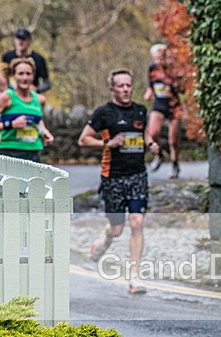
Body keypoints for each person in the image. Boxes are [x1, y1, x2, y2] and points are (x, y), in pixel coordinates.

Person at [79, 69, 160, 294]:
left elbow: (145, 137)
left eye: (128, 85)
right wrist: (108, 143)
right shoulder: (104, 113)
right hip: (112, 176)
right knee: (117, 230)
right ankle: (103, 240)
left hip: (137, 176)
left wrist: (151, 144)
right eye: (121, 86)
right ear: (112, 89)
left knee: (137, 222)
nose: (125, 89)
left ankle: (134, 277)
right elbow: (83, 139)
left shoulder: (140, 111)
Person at [0, 57, 54, 162]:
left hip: (33, 151)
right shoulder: (6, 97)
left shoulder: (40, 99)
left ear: (33, 76)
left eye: (28, 74)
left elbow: (38, 121)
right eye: (20, 73)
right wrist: (11, 124)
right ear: (14, 76)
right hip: (9, 151)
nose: (24, 78)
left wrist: (45, 132)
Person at [143, 44, 181, 179]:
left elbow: (181, 88)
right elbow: (150, 84)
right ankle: (159, 155)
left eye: (161, 57)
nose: (159, 60)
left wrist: (173, 83)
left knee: (173, 140)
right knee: (152, 133)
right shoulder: (152, 68)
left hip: (173, 106)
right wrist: (148, 92)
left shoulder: (173, 69)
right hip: (158, 104)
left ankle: (175, 164)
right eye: (156, 58)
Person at [2, 28, 51, 93]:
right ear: (14, 40)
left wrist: (37, 89)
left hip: (31, 94)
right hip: (11, 93)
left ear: (29, 42)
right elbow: (1, 76)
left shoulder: (38, 59)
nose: (20, 42)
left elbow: (46, 82)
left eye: (23, 39)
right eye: (18, 38)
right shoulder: (7, 56)